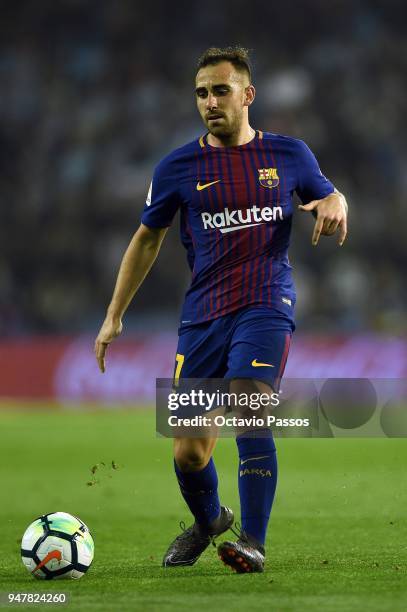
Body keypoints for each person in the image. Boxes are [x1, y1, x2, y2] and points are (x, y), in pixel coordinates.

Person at [94, 46, 348, 573]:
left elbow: (330, 196)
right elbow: (147, 239)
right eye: (202, 93)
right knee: (189, 453)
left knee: (250, 404)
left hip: (265, 302)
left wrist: (336, 202)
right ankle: (210, 520)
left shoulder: (289, 155)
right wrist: (114, 314)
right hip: (203, 314)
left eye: (221, 90)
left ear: (247, 95)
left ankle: (252, 542)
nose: (210, 101)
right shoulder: (177, 167)